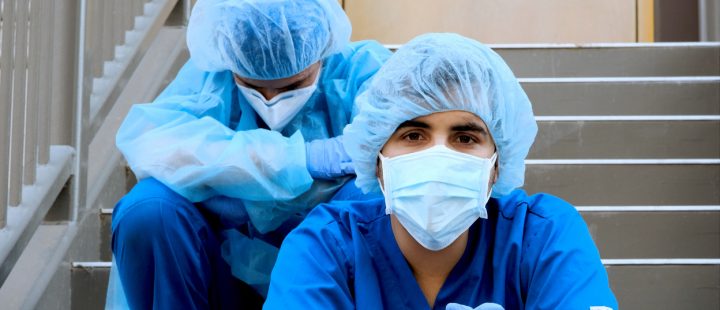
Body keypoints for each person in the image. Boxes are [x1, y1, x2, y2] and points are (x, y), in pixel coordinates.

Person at [264, 33, 618, 309]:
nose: (438, 156)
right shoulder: (325, 246)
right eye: (413, 135)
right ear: (377, 160)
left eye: (464, 138)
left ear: (496, 166)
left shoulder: (542, 236)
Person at [109, 0, 391, 308]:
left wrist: (233, 175)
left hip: (328, 276)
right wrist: (301, 159)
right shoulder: (211, 78)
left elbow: (396, 139)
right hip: (220, 276)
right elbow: (152, 141)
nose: (271, 102)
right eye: (252, 85)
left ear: (323, 49)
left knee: (375, 200)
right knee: (150, 209)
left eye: (293, 85)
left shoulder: (360, 72)